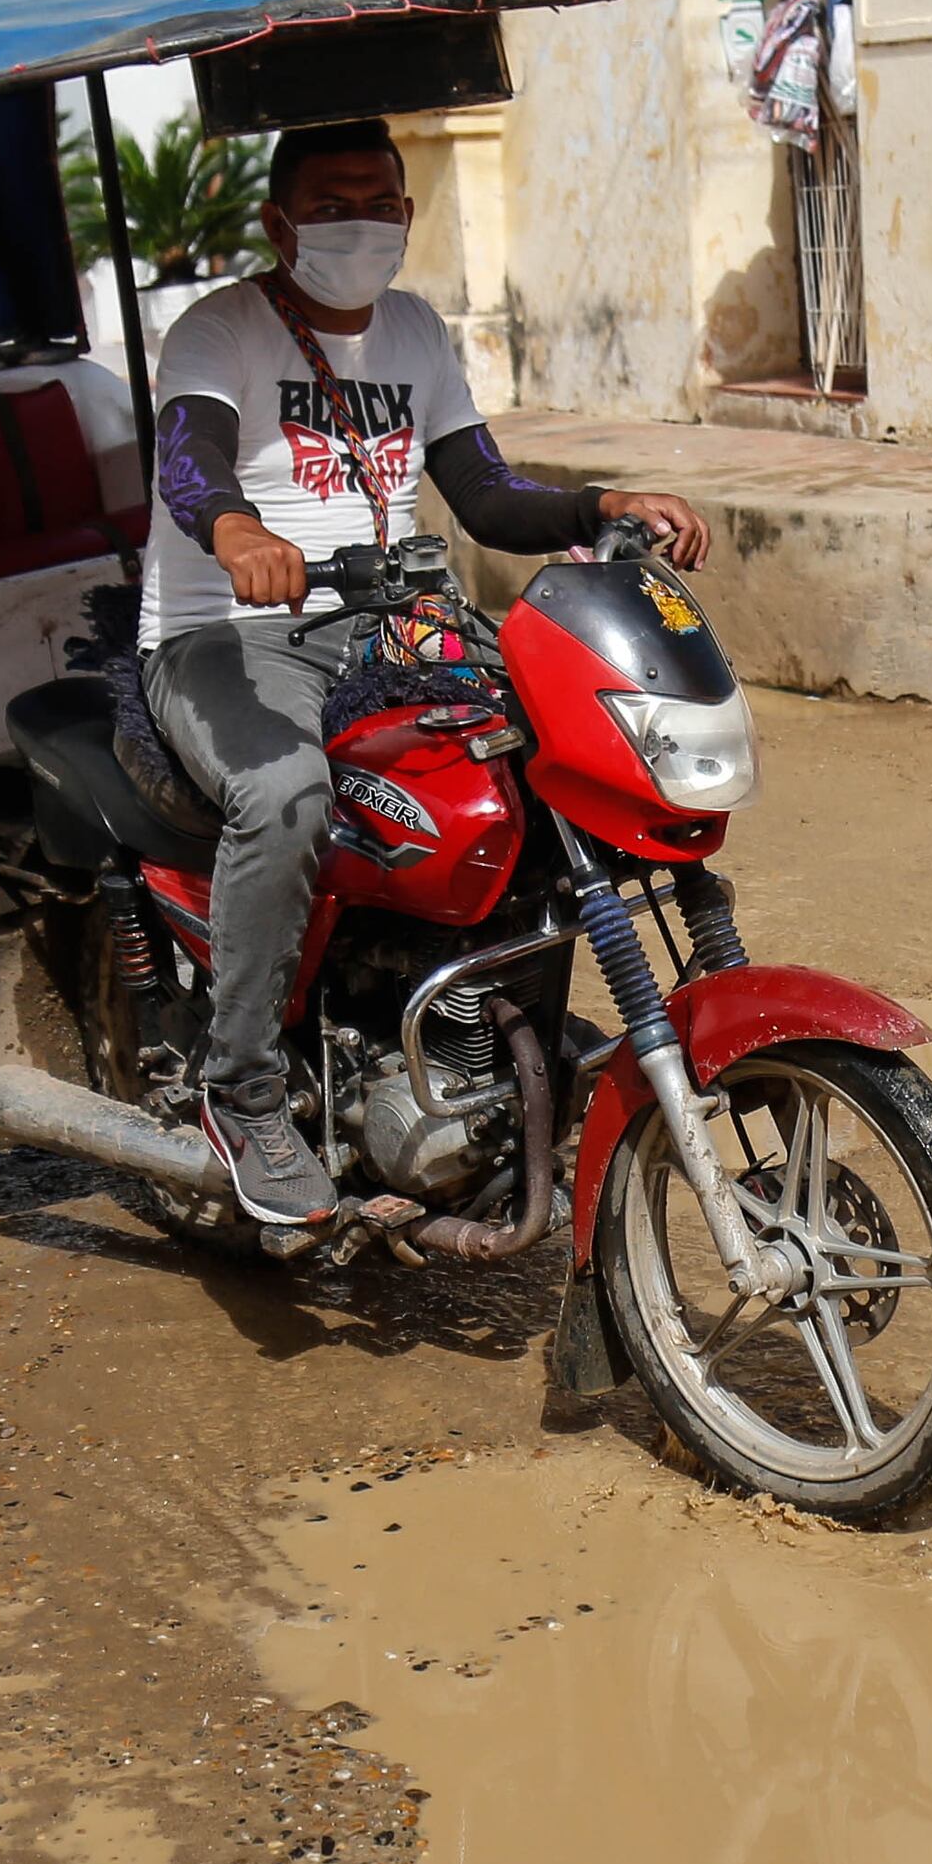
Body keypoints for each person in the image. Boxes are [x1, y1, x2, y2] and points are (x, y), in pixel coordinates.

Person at [140, 119, 710, 1226]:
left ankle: (499, 1011)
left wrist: (602, 504)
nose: (358, 223)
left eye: (378, 202)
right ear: (278, 224)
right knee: (284, 794)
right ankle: (241, 1086)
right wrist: (237, 532)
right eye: (329, 205)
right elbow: (187, 457)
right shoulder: (219, 328)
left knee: (550, 757)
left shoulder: (412, 329)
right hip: (228, 633)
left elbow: (485, 494)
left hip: (389, 630)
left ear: (406, 215)